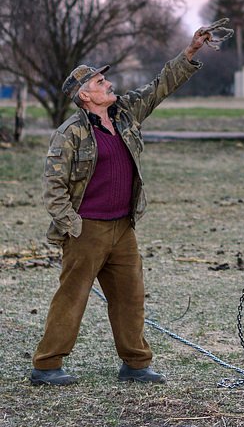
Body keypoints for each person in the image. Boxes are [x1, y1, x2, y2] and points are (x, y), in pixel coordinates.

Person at [30, 23, 231, 386]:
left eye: (104, 80)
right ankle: (46, 365)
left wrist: (190, 52)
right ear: (84, 97)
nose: (107, 84)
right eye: (98, 83)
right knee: (72, 298)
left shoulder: (125, 113)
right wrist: (71, 225)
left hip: (123, 227)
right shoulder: (70, 133)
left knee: (130, 298)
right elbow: (54, 186)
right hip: (86, 228)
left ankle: (136, 364)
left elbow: (161, 85)